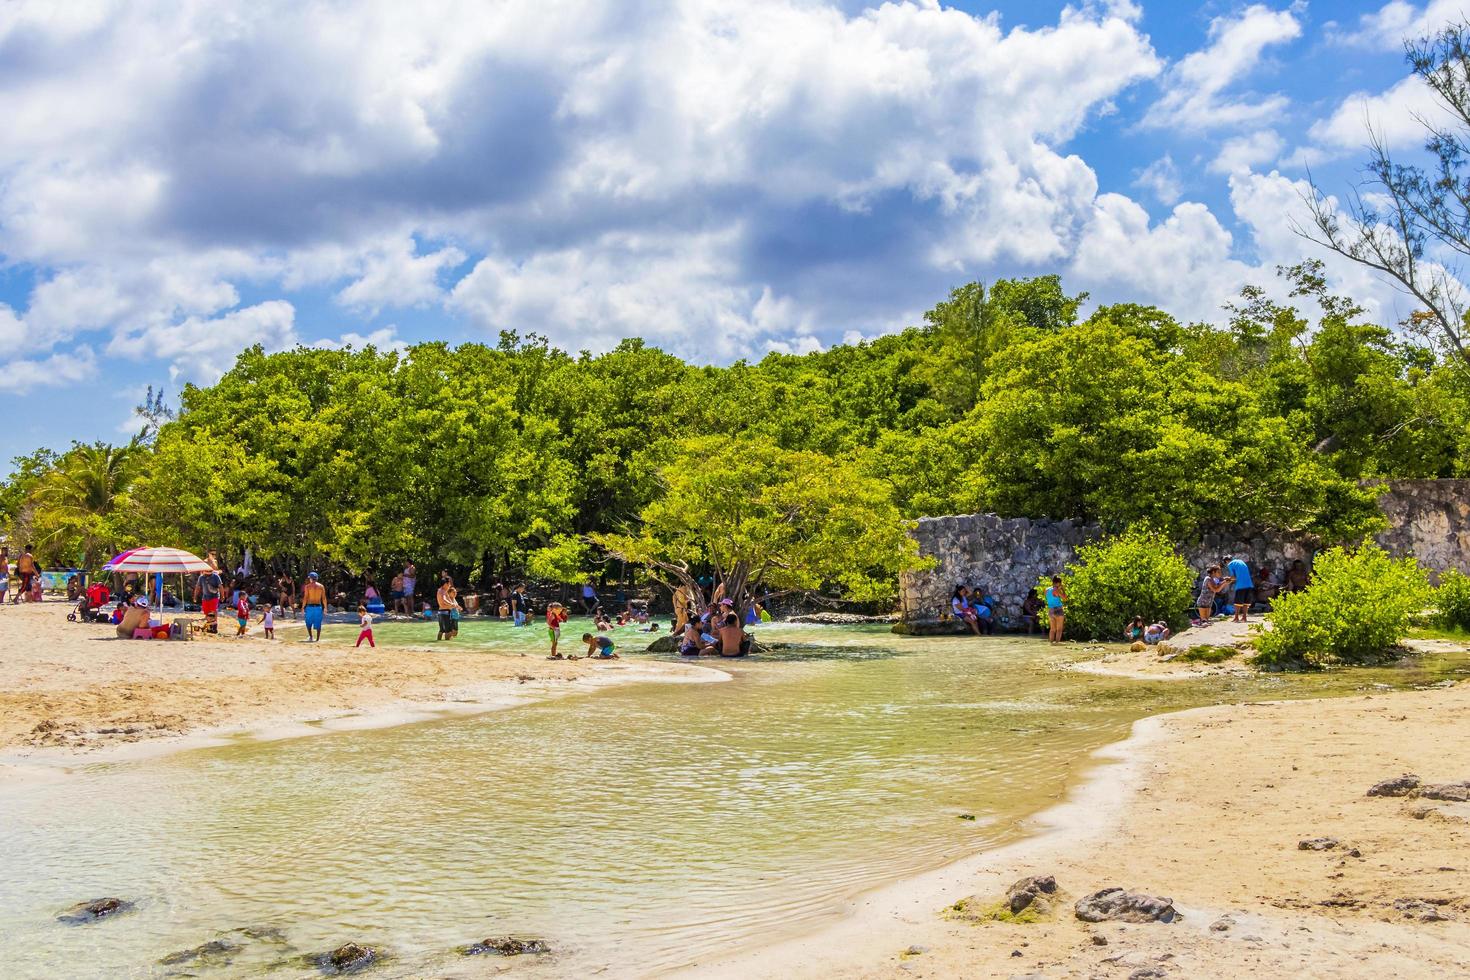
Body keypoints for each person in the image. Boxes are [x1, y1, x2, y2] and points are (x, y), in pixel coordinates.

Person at [1225, 555, 1254, 622]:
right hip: (1249, 584)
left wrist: (1228, 579)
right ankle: (1244, 617)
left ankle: (1236, 618)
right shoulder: (1241, 561)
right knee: (1246, 602)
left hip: (1240, 585)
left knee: (1237, 603)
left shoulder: (1230, 564)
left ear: (1226, 561)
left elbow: (1233, 577)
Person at [301, 571, 327, 642]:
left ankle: (311, 637)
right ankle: (317, 639)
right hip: (318, 607)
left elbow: (305, 598)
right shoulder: (321, 586)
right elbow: (324, 598)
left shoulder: (307, 587)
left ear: (311, 578)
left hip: (309, 607)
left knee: (308, 622)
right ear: (317, 578)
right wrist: (325, 608)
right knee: (318, 623)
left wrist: (303, 607)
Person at [197, 564, 223, 632]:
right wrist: (195, 596)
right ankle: (210, 627)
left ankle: (214, 627)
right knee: (207, 613)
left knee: (213, 611)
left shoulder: (216, 576)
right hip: (205, 597)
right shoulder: (201, 577)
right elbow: (198, 587)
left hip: (214, 597)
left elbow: (220, 586)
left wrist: (222, 596)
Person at [436, 574, 460, 641]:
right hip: (445, 612)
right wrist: (451, 604)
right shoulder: (443, 591)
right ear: (445, 584)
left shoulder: (440, 590)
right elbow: (444, 600)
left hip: (440, 612)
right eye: (449, 584)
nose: (449, 585)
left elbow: (446, 599)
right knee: (448, 631)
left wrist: (454, 605)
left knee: (441, 630)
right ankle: (446, 646)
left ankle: (438, 644)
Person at [1045, 576, 1067, 644]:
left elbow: (1049, 599)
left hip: (1051, 610)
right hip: (1058, 610)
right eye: (1060, 583)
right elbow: (1065, 598)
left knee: (1052, 629)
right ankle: (1057, 644)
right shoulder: (1057, 590)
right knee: (1059, 630)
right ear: (1058, 583)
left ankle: (1051, 644)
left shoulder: (1047, 589)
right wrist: (1063, 589)